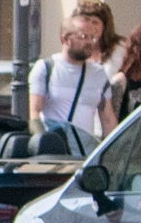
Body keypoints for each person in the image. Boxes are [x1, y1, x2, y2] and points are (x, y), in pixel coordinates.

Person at [28, 14, 117, 146]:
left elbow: (108, 118)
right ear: (65, 39)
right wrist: (42, 145)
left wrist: (113, 151)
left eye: (92, 37)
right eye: (83, 37)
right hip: (57, 154)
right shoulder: (46, 68)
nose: (89, 42)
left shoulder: (98, 73)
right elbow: (35, 112)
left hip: (86, 155)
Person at [73, 0, 126, 71]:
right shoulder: (74, 50)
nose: (90, 27)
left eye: (95, 22)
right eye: (85, 21)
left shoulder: (121, 49)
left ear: (105, 26)